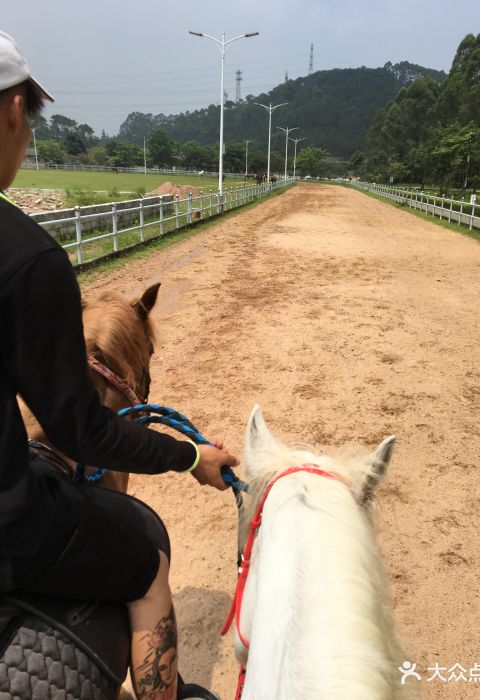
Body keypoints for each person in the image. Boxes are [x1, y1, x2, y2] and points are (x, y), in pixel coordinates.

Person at [0, 31, 238, 700]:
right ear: (15, 111)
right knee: (144, 561)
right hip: (7, 525)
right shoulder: (27, 256)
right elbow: (80, 433)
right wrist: (191, 457)